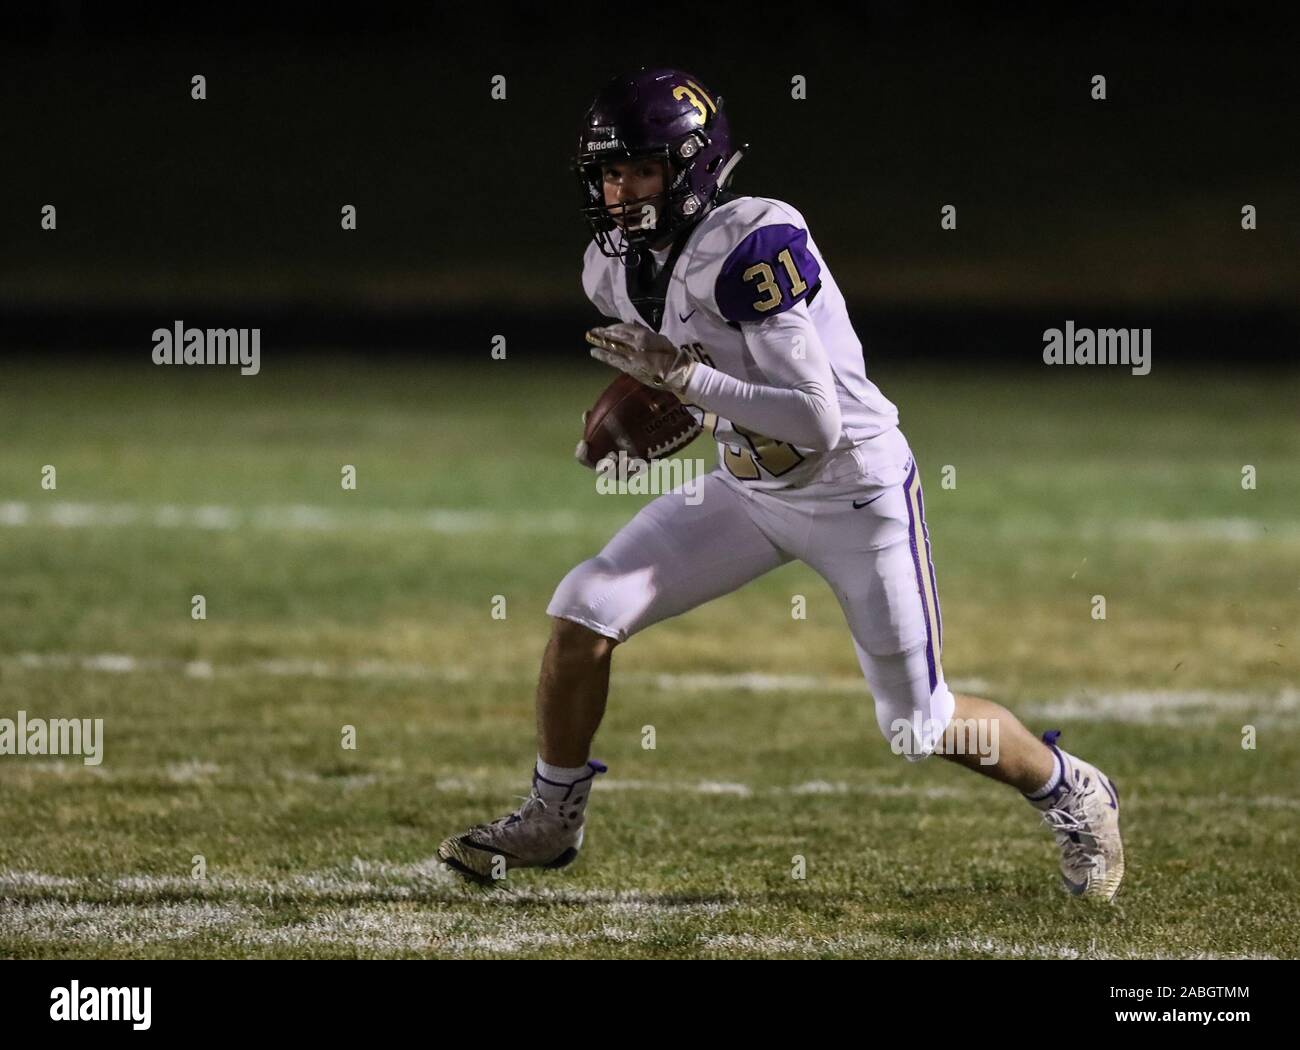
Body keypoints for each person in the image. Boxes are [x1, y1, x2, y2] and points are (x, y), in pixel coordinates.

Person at [437, 67, 1124, 902]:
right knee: (584, 609)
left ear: (691, 168)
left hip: (852, 492)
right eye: (609, 172)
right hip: (748, 488)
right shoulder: (610, 271)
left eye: (641, 170)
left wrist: (685, 386)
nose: (620, 191)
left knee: (917, 722)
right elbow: (702, 385)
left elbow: (814, 419)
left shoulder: (754, 241)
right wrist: (664, 409)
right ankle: (552, 816)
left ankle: (1070, 788)